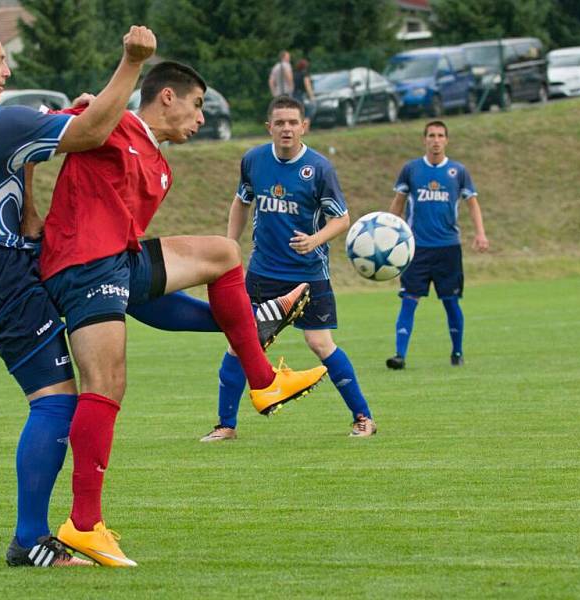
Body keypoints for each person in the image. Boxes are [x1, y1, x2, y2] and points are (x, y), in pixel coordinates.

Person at [38, 63, 328, 567]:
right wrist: (83, 111)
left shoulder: (161, 165)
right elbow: (34, 135)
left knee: (222, 253)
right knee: (106, 384)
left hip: (117, 259)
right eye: (197, 106)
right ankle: (83, 525)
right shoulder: (108, 122)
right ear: (167, 97)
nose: (201, 118)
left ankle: (261, 377)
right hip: (83, 263)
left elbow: (143, 289)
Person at [0, 23, 157, 568]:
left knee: (114, 293)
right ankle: (28, 540)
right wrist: (132, 63)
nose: (9, 70)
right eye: (0, 60)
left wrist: (46, 143)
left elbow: (14, 152)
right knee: (54, 400)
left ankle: (245, 327)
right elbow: (95, 132)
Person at [200, 95, 377, 442]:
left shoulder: (319, 168)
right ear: (269, 127)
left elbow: (341, 219)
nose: (286, 128)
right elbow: (241, 202)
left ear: (304, 127)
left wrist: (315, 239)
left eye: (293, 122)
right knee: (239, 343)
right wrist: (229, 246)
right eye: (279, 122)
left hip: (309, 274)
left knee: (319, 342)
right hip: (262, 273)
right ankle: (226, 425)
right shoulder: (253, 160)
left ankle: (363, 418)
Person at [386, 120, 489, 370]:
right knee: (409, 300)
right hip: (416, 248)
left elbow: (472, 203)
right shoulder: (411, 170)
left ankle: (457, 352)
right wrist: (388, 231)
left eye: (440, 135)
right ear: (424, 140)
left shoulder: (458, 171)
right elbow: (398, 203)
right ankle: (399, 355)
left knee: (451, 301)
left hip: (448, 248)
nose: (435, 140)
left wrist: (480, 234)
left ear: (446, 140)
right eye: (431, 135)